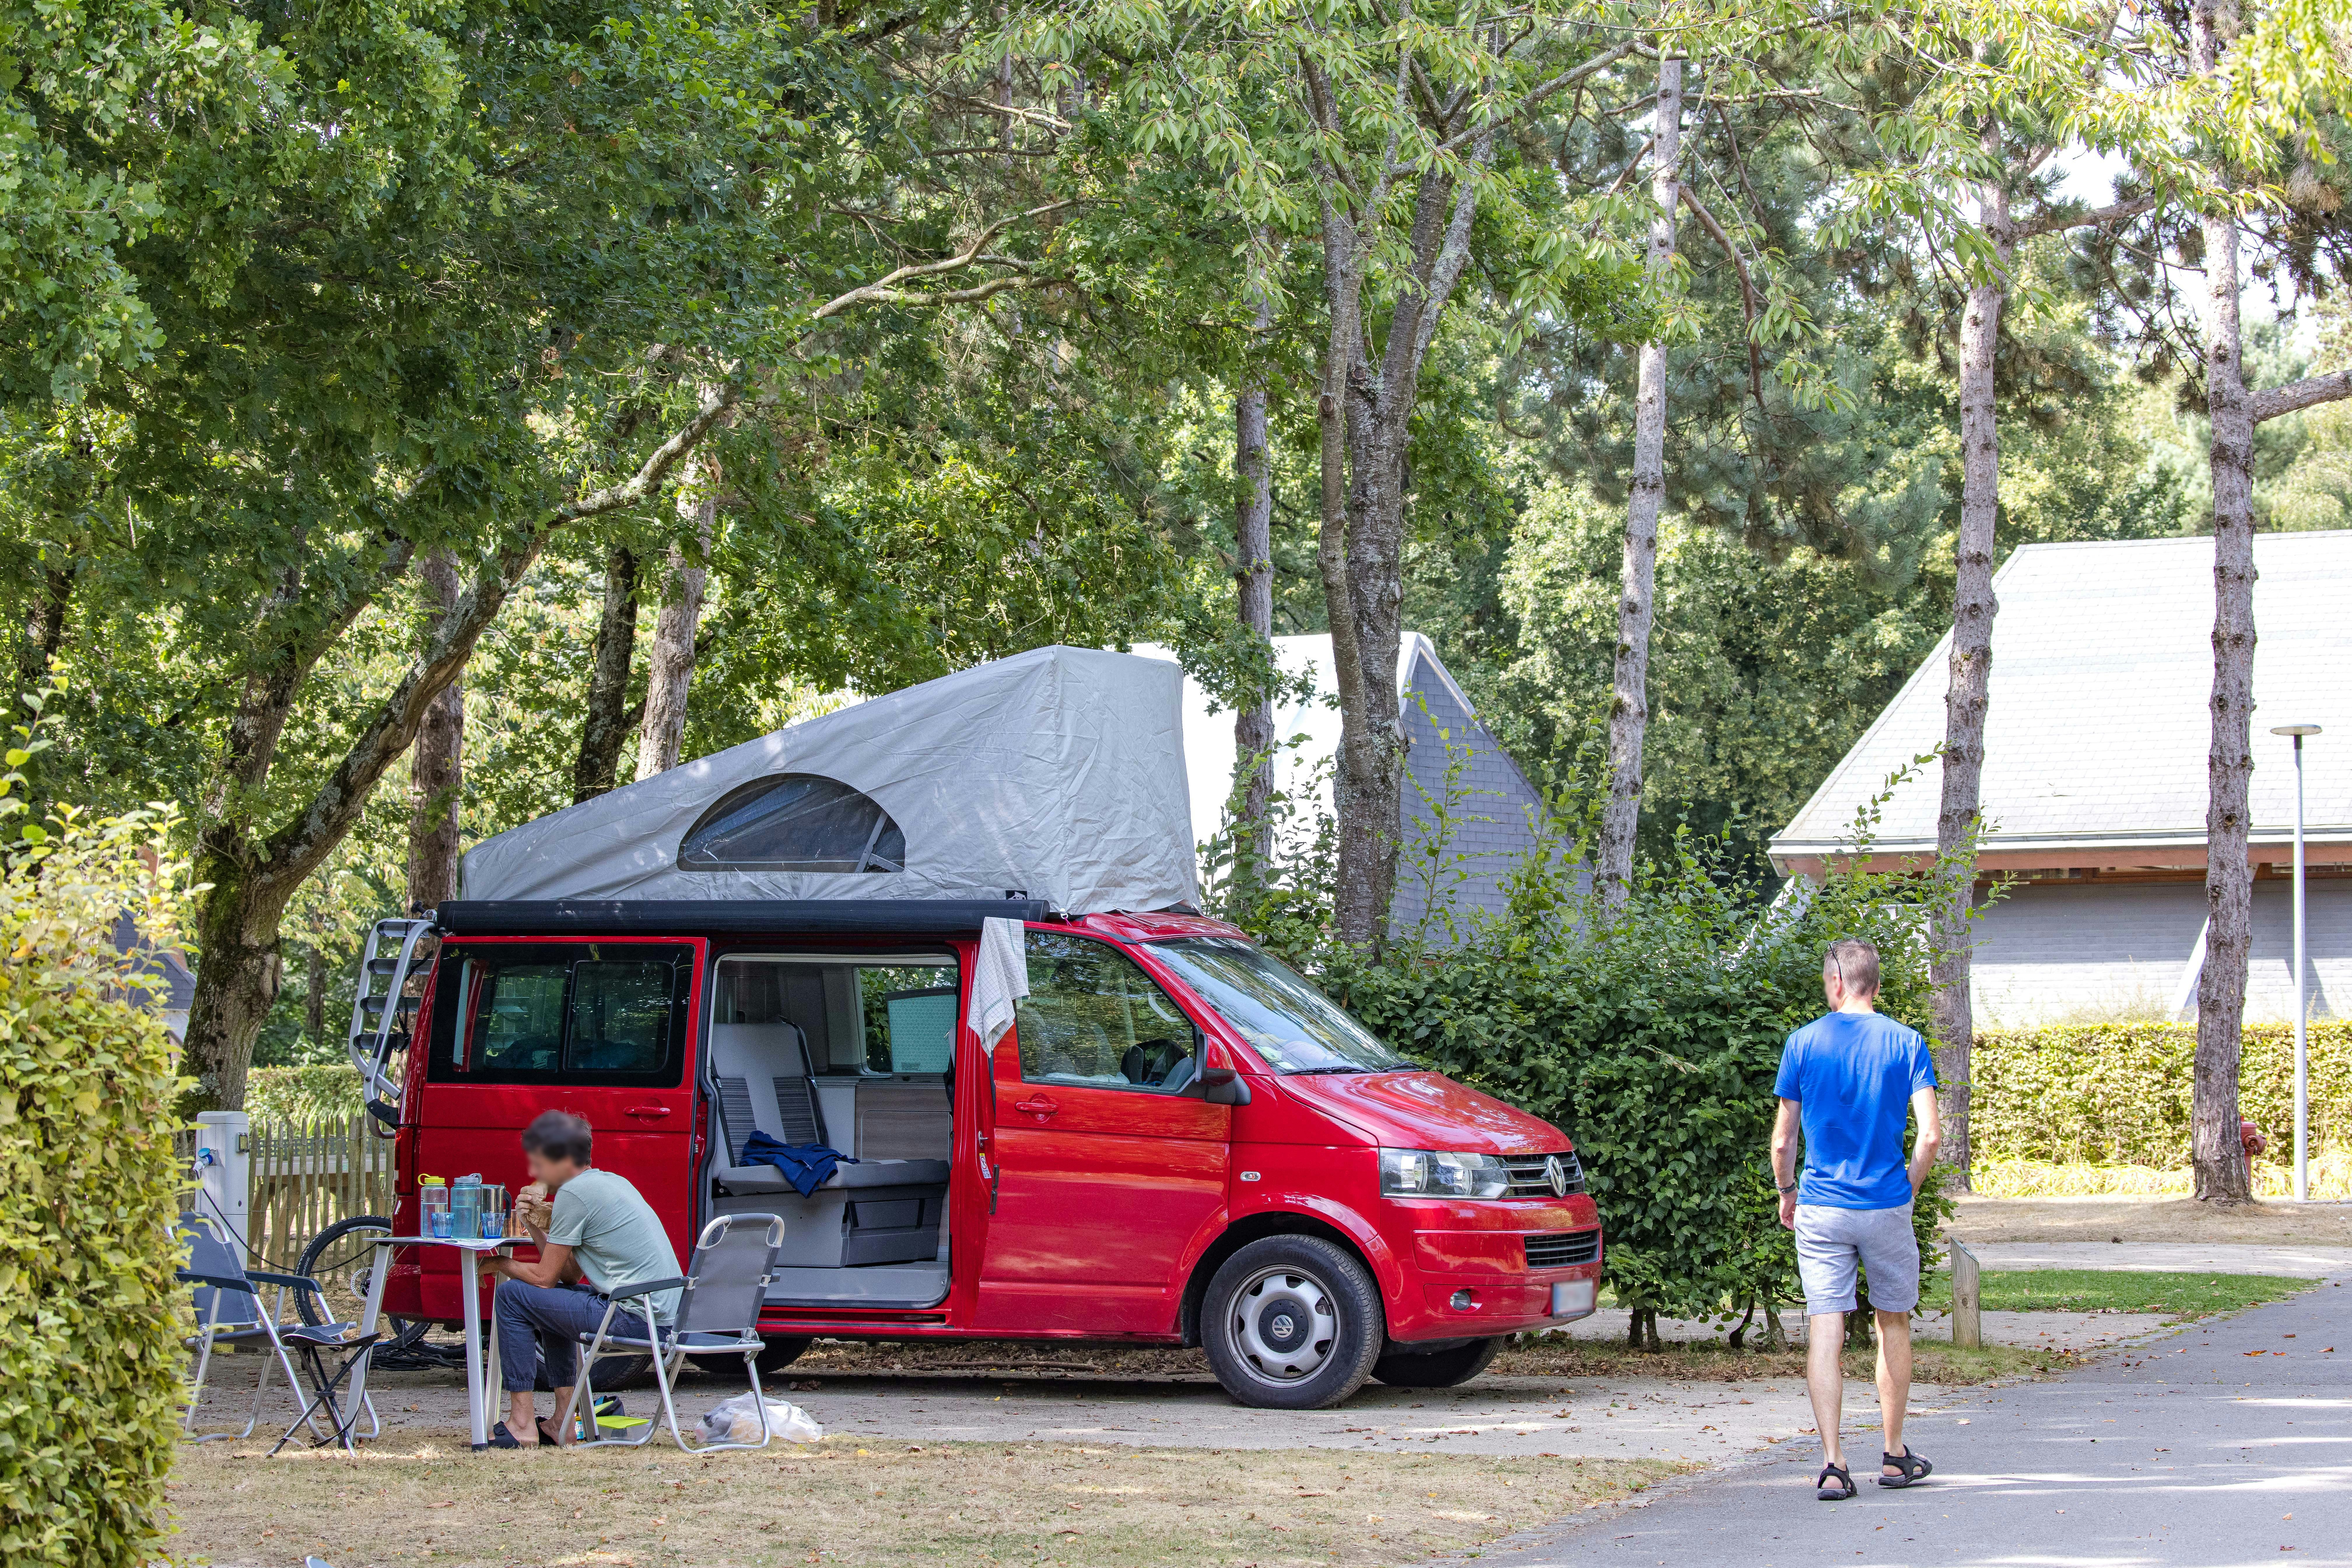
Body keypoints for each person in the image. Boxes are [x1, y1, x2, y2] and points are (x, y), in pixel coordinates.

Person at [1769, 938, 1941, 1502]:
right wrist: (1908, 1189)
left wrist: (1788, 1192)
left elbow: (1782, 1140)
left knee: (1827, 1326)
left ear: (1838, 983)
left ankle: (1833, 1462)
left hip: (1821, 1206)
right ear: (1875, 984)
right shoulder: (1907, 1042)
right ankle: (1893, 1455)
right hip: (1885, 1204)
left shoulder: (1802, 1042)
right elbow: (1932, 1135)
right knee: (1893, 1322)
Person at [478, 1110, 683, 1448]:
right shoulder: (609, 1182)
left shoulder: (575, 1194)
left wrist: (500, 1262)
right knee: (546, 1299)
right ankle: (562, 1420)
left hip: (636, 1318)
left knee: (513, 1296)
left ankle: (522, 1424)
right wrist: (531, 1223)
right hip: (657, 1315)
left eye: (540, 1162)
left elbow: (543, 1278)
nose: (535, 1172)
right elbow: (568, 1275)